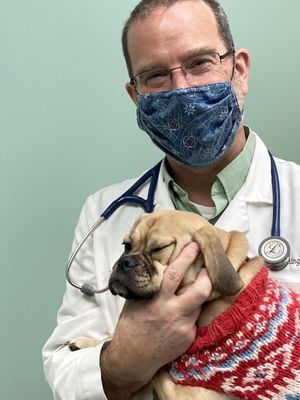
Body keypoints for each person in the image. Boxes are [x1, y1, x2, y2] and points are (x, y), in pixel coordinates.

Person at [43, 0, 300, 399]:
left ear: (240, 70)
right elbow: (64, 370)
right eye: (156, 75)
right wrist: (128, 358)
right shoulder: (105, 212)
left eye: (200, 63)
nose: (182, 90)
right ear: (136, 95)